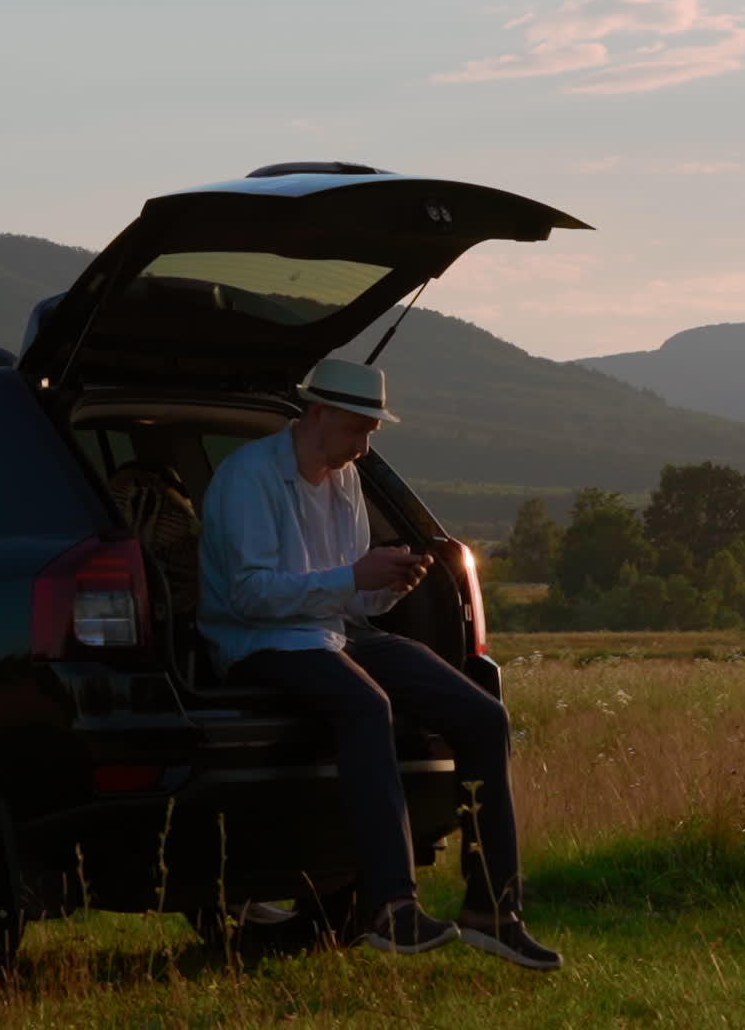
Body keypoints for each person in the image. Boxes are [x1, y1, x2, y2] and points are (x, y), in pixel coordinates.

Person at [196, 357, 561, 970]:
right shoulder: (247, 477)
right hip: (257, 643)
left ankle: (493, 909)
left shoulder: (345, 481)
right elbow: (248, 596)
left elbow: (352, 596)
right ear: (320, 413)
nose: (365, 444)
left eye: (372, 430)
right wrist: (352, 578)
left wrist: (390, 586)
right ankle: (392, 910)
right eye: (359, 428)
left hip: (334, 633)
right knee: (368, 706)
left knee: (482, 714)